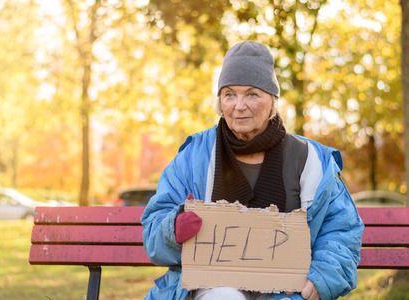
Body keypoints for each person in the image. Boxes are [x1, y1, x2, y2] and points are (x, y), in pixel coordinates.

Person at [141, 41, 364, 300]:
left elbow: (341, 230)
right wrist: (173, 230)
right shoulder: (193, 157)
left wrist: (319, 279)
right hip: (212, 287)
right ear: (220, 102)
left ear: (272, 101)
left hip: (286, 291)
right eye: (229, 94)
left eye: (252, 94)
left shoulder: (311, 159)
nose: (239, 105)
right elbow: (154, 231)